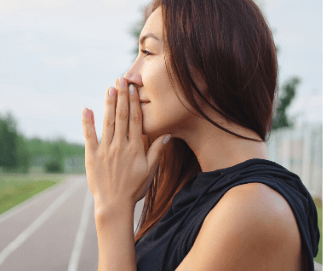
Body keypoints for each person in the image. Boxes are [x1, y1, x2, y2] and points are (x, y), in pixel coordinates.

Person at [81, 0, 320, 270]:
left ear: (208, 62)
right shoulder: (200, 190)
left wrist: (111, 208)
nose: (130, 75)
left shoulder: (251, 210)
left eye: (148, 52)